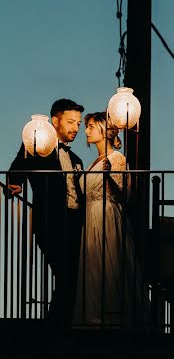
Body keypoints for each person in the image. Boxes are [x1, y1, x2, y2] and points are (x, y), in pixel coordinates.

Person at [6, 99, 85, 327]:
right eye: (71, 122)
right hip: (50, 220)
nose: (76, 128)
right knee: (65, 270)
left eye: (79, 123)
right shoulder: (36, 146)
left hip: (75, 222)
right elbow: (17, 168)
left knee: (70, 274)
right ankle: (59, 323)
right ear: (55, 121)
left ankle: (61, 320)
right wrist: (15, 183)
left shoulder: (76, 159)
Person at [72, 112, 143, 328]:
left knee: (109, 264)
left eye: (91, 126)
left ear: (105, 130)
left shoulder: (117, 159)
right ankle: (93, 316)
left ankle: (113, 316)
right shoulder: (92, 162)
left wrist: (109, 175)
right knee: (93, 265)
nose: (86, 131)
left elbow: (123, 194)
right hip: (90, 217)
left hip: (107, 216)